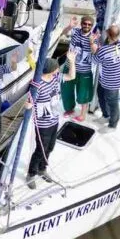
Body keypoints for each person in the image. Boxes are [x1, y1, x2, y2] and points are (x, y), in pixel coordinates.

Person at [25, 58, 75, 189]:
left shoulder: (55, 77)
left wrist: (73, 61)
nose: (58, 69)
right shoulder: (37, 85)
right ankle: (31, 174)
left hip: (54, 120)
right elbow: (29, 103)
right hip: (43, 125)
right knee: (40, 149)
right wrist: (29, 104)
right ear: (51, 70)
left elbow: (71, 76)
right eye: (57, 67)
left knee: (50, 147)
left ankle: (42, 169)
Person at [90, 24, 120, 129]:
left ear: (108, 34)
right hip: (116, 79)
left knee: (113, 103)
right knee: (101, 94)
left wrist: (93, 46)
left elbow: (94, 60)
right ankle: (105, 115)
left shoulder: (104, 50)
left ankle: (113, 124)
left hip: (109, 81)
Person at [61, 15, 95, 122]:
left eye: (89, 24)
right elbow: (64, 33)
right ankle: (69, 109)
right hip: (69, 66)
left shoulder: (93, 37)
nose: (86, 26)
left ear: (92, 26)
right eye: (85, 23)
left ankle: (82, 115)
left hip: (84, 71)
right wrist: (69, 26)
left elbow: (95, 52)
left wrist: (91, 42)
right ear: (81, 24)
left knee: (84, 94)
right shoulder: (75, 31)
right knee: (66, 90)